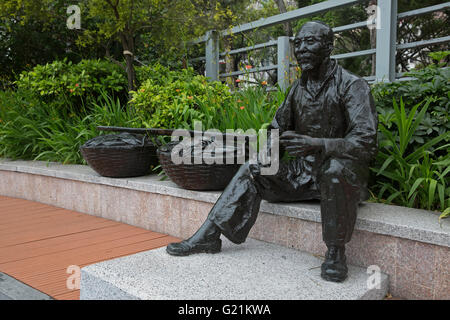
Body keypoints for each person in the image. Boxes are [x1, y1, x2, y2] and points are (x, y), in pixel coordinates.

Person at [166, 21, 378, 283]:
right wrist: (268, 153)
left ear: (328, 47)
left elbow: (366, 141)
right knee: (253, 169)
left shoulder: (352, 86)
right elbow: (276, 129)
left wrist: (318, 144)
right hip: (303, 174)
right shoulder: (296, 90)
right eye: (297, 43)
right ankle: (208, 236)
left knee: (333, 171)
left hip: (341, 175)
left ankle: (335, 253)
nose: (301, 49)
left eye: (309, 42)